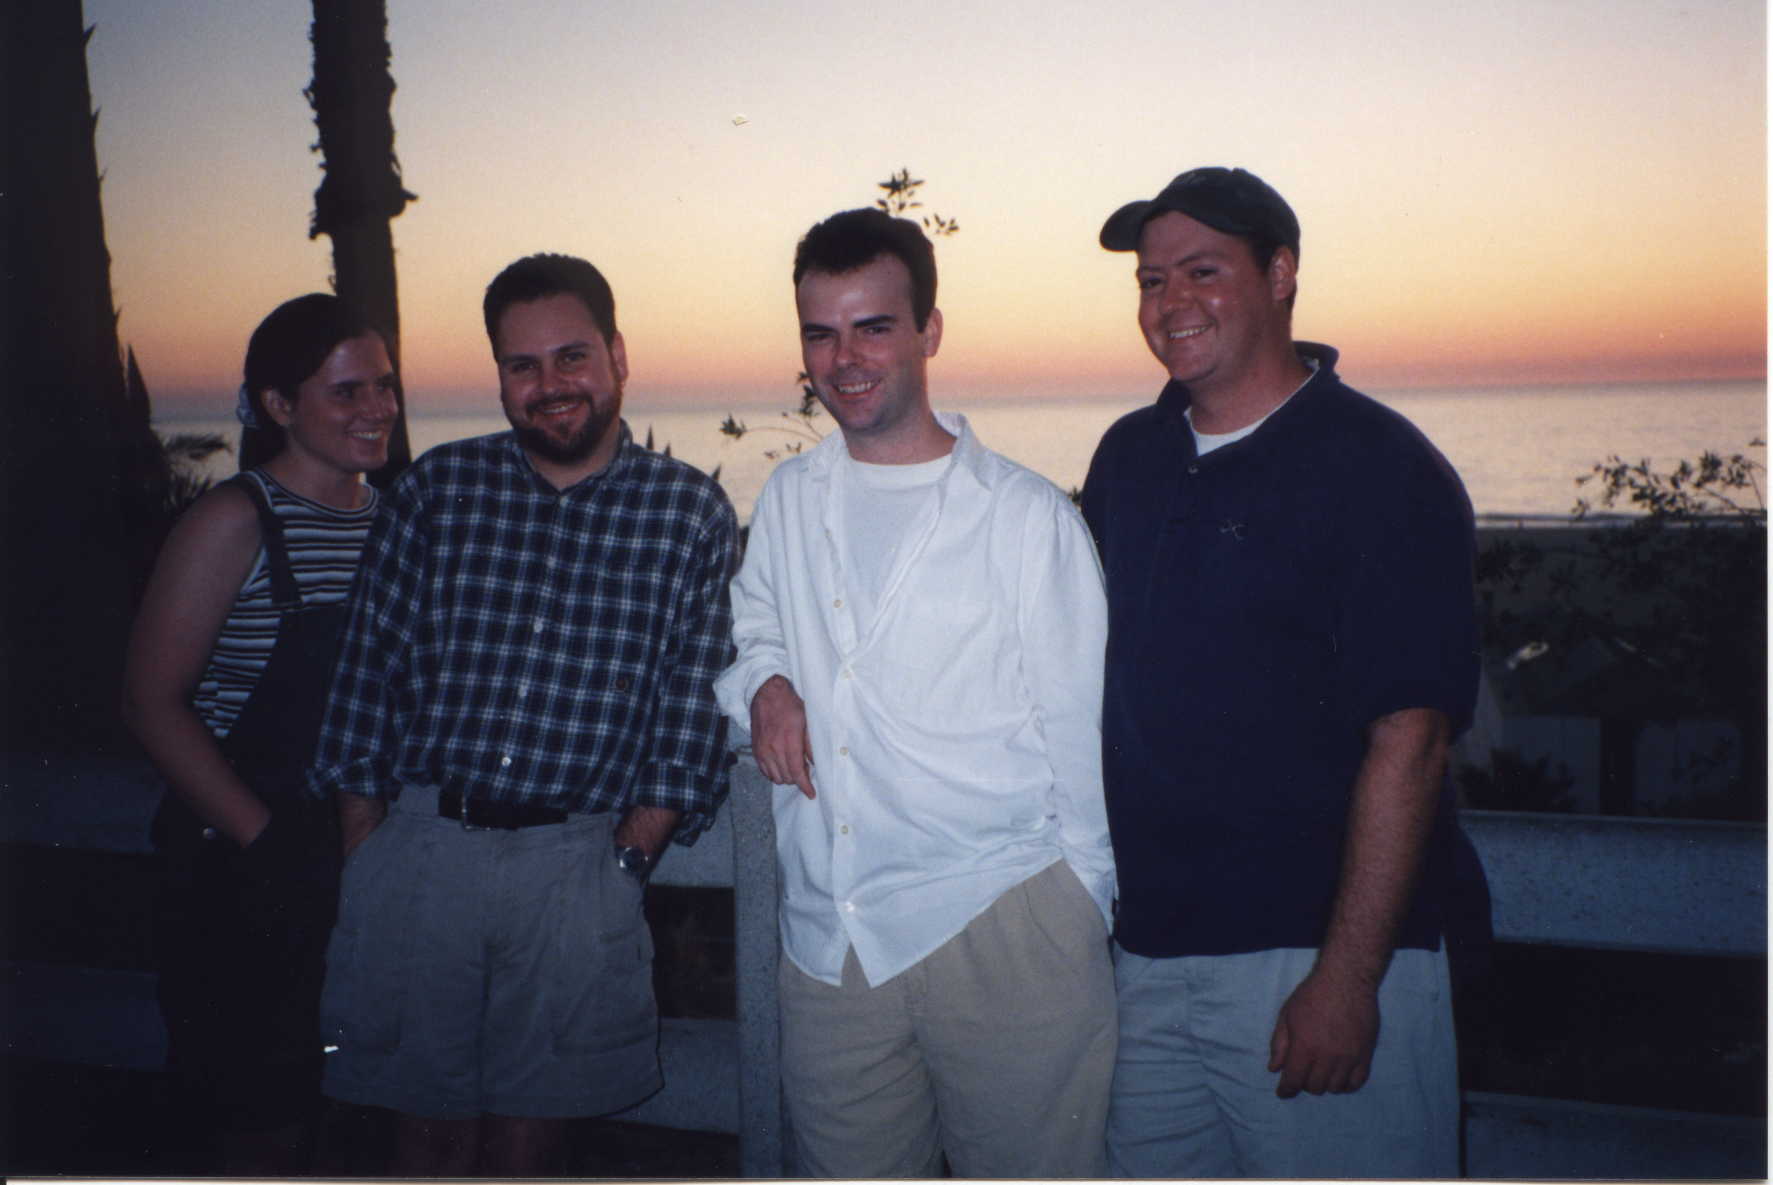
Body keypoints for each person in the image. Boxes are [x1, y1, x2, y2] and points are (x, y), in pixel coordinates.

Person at [1079, 166, 1482, 1178]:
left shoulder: (1379, 466)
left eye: (1201, 271)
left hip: (1313, 959)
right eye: (1150, 280)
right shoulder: (1128, 459)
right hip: (1148, 958)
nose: (1169, 301)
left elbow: (1412, 738)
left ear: (1281, 273)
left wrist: (1348, 978)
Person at [307, 253, 738, 1177]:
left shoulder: (688, 512)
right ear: (499, 374)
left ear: (618, 356)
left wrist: (625, 861)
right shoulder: (437, 490)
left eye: (572, 356)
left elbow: (690, 709)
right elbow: (364, 682)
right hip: (421, 855)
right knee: (424, 1146)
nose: (550, 384)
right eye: (523, 365)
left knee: (529, 1150)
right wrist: (371, 851)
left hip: (574, 866)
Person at [714, 208, 1117, 1178]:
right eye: (821, 332)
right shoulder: (791, 500)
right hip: (831, 942)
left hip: (1004, 922)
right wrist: (767, 684)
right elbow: (753, 622)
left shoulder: (1024, 518)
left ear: (929, 331)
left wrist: (1079, 911)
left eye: (874, 327)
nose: (844, 358)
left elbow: (1083, 737)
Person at [122, 293, 399, 1174]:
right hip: (244, 874)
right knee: (256, 1126)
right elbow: (150, 702)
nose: (377, 408)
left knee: (356, 1119)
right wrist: (269, 842)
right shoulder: (233, 521)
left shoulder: (394, 522)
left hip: (362, 865)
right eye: (347, 391)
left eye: (384, 385)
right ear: (279, 405)